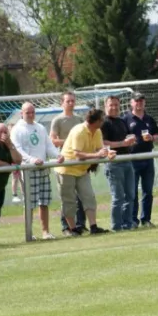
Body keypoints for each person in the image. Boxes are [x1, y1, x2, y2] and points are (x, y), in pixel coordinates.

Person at [55, 108, 113, 236]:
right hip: (67, 170)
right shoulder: (79, 131)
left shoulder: (97, 131)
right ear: (95, 121)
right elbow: (77, 155)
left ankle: (93, 227)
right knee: (69, 200)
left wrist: (106, 153)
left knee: (89, 197)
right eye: (101, 120)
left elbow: (99, 149)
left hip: (82, 170)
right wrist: (97, 154)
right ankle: (73, 229)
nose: (103, 122)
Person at [11, 102, 64, 240]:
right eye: (27, 112)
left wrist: (57, 155)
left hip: (43, 168)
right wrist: (32, 160)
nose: (30, 114)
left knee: (44, 201)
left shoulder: (40, 127)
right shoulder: (17, 129)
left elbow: (48, 145)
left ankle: (45, 232)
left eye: (32, 112)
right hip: (28, 170)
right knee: (29, 203)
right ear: (21, 113)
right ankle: (29, 233)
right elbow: (17, 150)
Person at [50, 91, 86, 234]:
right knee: (67, 196)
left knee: (82, 195)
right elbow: (52, 140)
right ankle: (66, 227)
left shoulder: (79, 119)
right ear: (62, 103)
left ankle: (81, 224)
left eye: (73, 101)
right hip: (64, 161)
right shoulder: (57, 120)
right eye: (68, 101)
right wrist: (70, 142)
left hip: (79, 161)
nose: (71, 103)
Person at [124, 92, 158, 228]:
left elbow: (157, 135)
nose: (139, 103)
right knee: (132, 191)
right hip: (133, 158)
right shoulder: (126, 118)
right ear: (131, 102)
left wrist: (153, 137)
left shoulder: (149, 118)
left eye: (141, 101)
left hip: (148, 157)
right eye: (136, 101)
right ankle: (133, 220)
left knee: (148, 191)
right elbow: (122, 137)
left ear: (144, 103)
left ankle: (146, 219)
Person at [101, 96, 137, 231]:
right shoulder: (104, 122)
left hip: (127, 161)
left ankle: (127, 224)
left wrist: (132, 140)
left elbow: (127, 138)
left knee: (130, 195)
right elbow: (103, 143)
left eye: (116, 105)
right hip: (114, 163)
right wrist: (122, 143)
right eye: (111, 105)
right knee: (118, 197)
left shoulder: (122, 121)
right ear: (106, 106)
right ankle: (116, 226)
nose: (114, 107)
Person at [8, 122, 23, 203]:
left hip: (21, 160)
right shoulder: (8, 140)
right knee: (15, 178)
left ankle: (24, 194)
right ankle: (14, 195)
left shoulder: (18, 137)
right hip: (14, 162)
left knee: (22, 178)